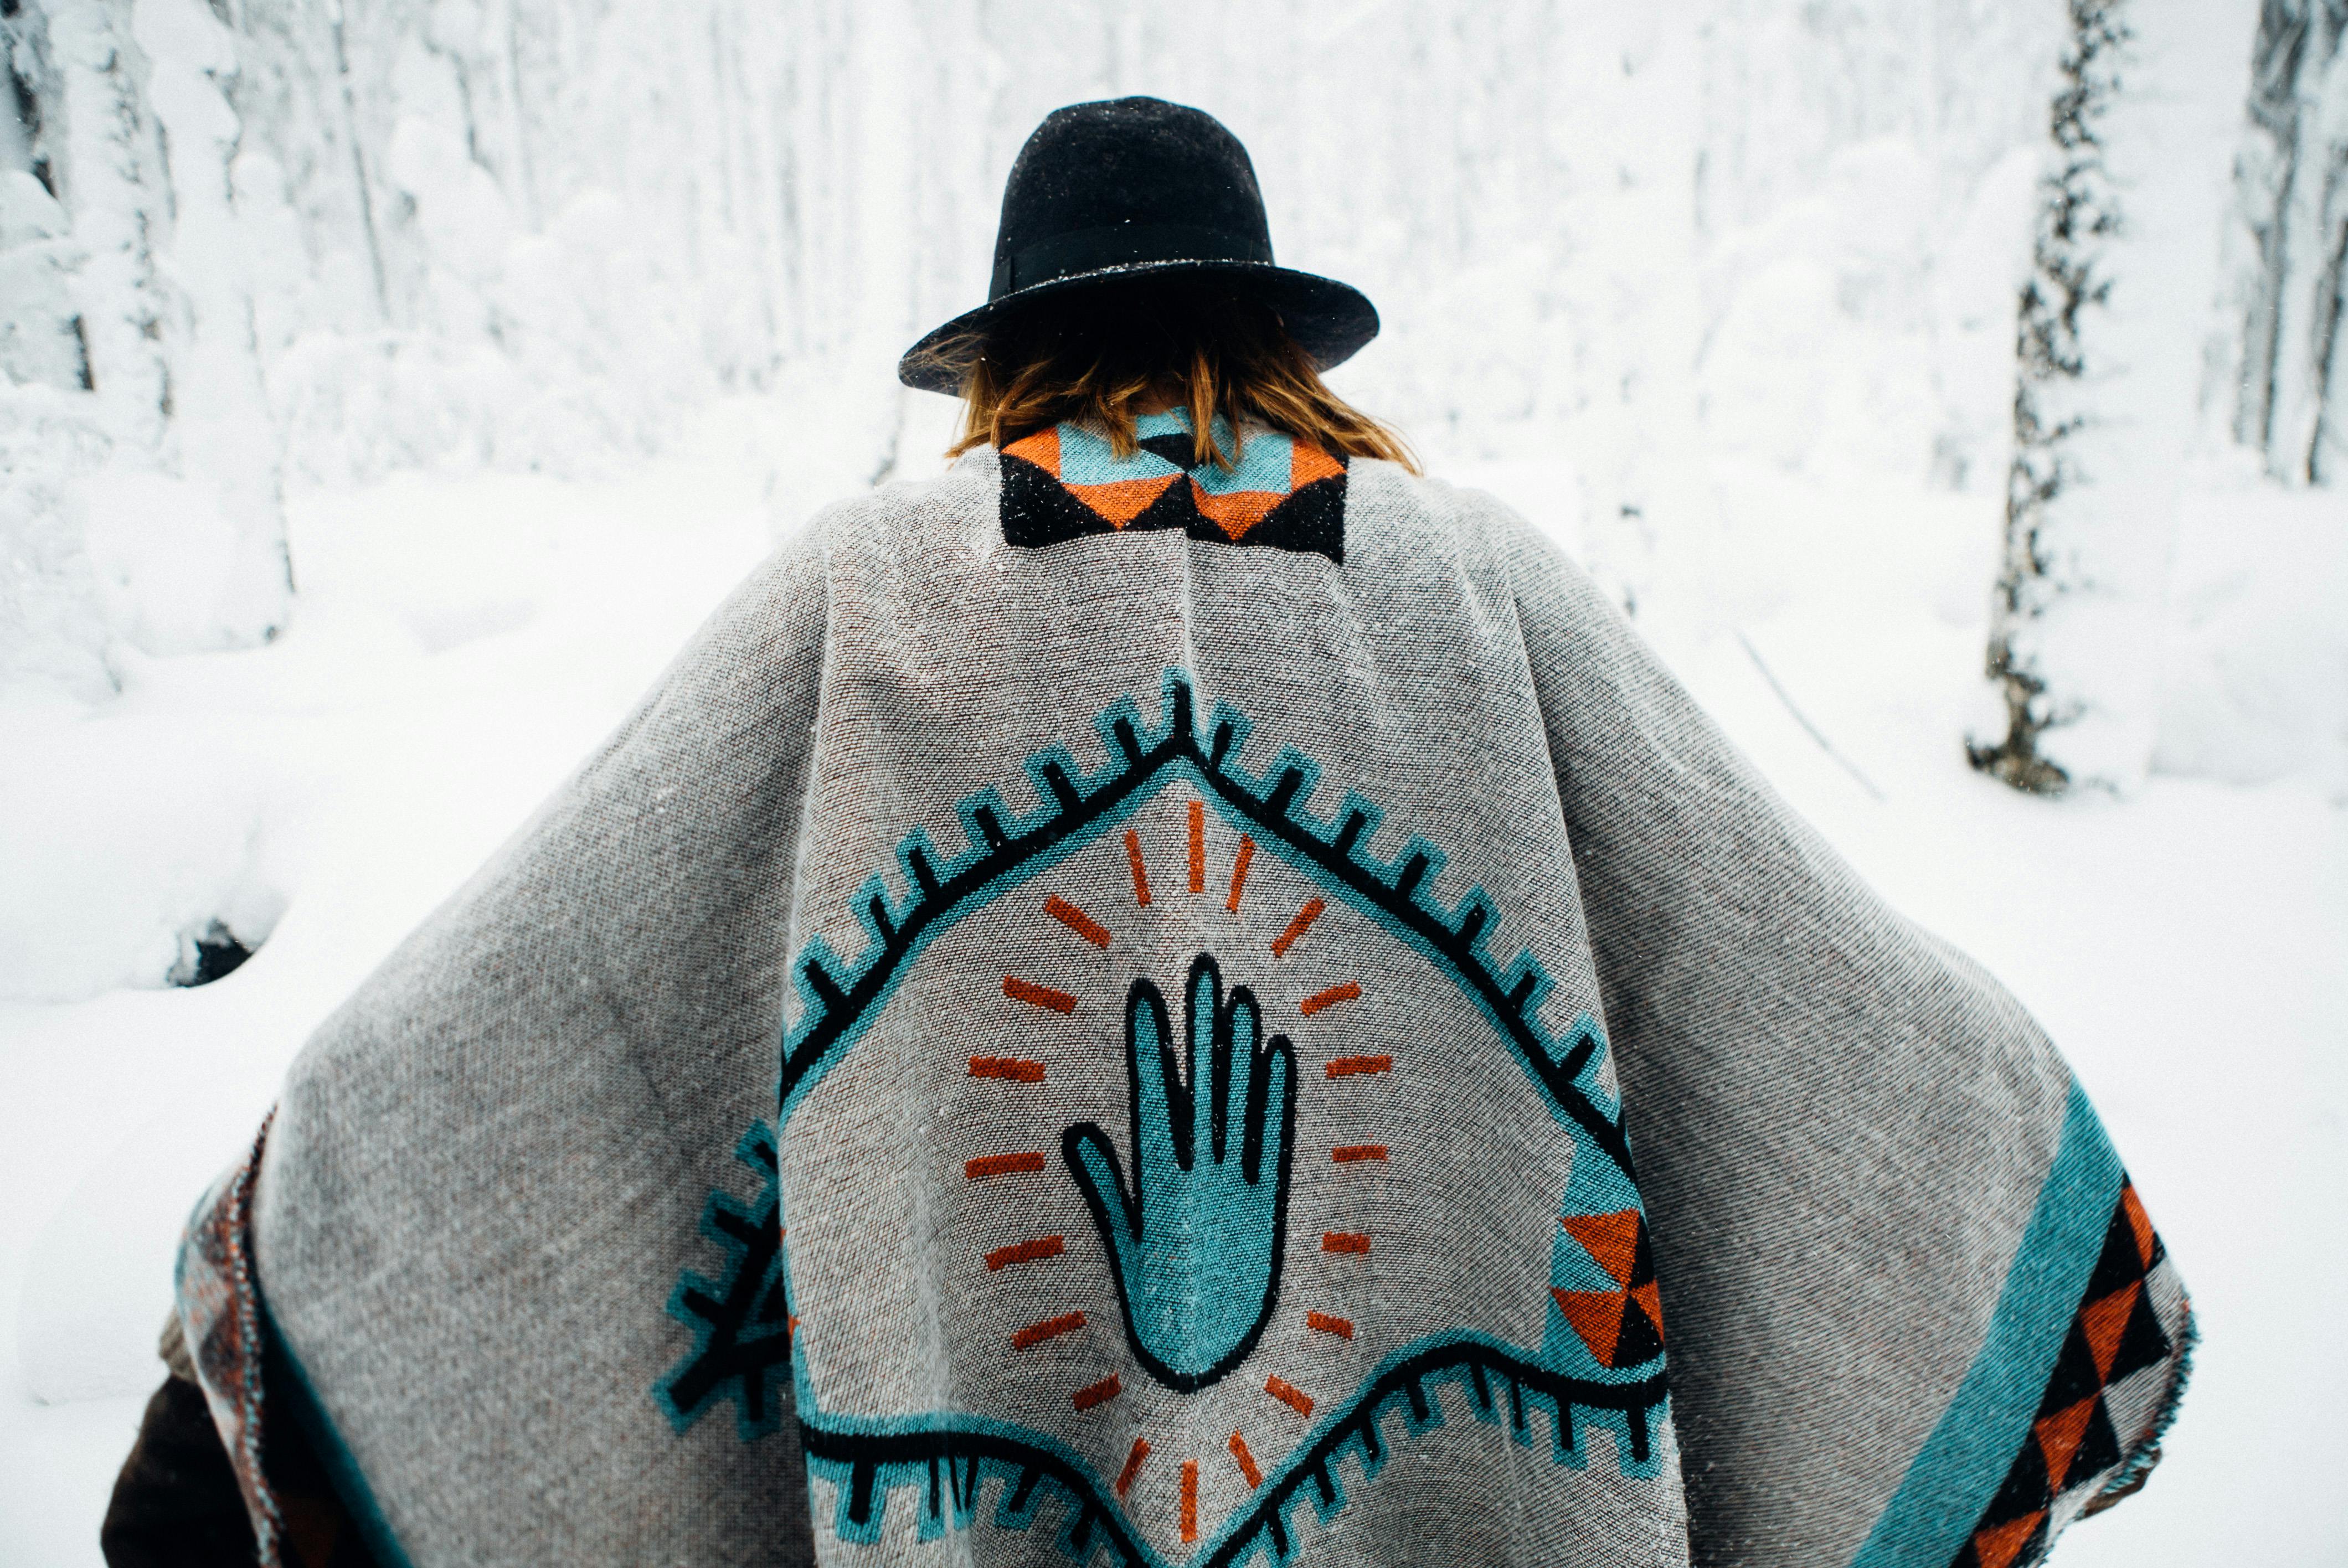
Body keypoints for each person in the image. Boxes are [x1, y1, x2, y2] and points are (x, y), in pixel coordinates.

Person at [108, 96, 2188, 1568]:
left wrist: (242, 1423)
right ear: (1277, 346)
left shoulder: (866, 598)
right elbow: (1788, 995)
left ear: (1005, 363)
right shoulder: (1477, 595)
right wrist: (2079, 1310)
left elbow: (559, 991)